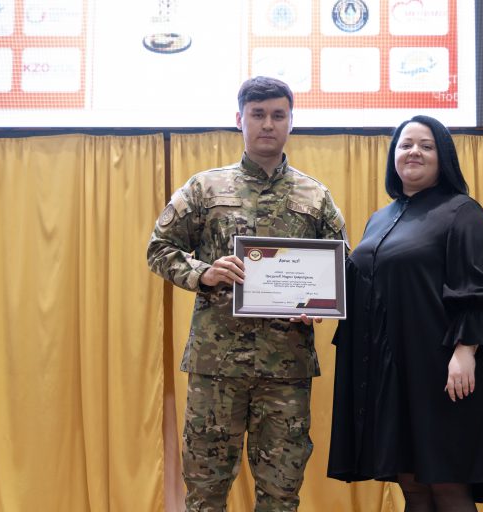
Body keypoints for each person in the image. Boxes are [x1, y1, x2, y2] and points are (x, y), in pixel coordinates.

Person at [147, 76, 347, 512]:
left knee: (281, 494)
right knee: (205, 492)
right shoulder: (205, 189)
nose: (268, 124)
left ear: (291, 121)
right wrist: (204, 272)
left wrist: (319, 304)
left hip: (286, 368)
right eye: (257, 115)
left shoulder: (316, 196)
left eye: (278, 115)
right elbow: (159, 249)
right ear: (239, 119)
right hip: (216, 367)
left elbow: (341, 268)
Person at [327, 115, 483, 511]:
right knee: (412, 486)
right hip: (393, 375)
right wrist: (307, 301)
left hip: (442, 371)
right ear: (393, 156)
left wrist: (465, 351)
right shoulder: (379, 219)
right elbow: (362, 285)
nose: (414, 152)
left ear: (443, 157)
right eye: (406, 144)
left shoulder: (462, 212)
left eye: (426, 146)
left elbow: (481, 287)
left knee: (448, 486)